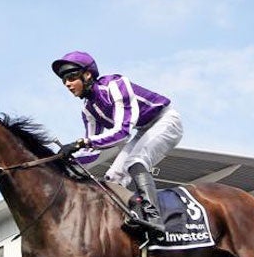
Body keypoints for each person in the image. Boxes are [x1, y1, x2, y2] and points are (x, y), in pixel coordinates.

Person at [51, 51, 183, 237]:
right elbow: (91, 151)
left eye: (71, 77)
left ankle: (154, 218)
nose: (67, 84)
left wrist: (80, 143)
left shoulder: (115, 86)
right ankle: (126, 220)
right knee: (112, 179)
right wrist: (63, 163)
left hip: (165, 120)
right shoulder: (88, 110)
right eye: (64, 80)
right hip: (143, 129)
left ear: (87, 74)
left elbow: (121, 133)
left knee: (135, 162)